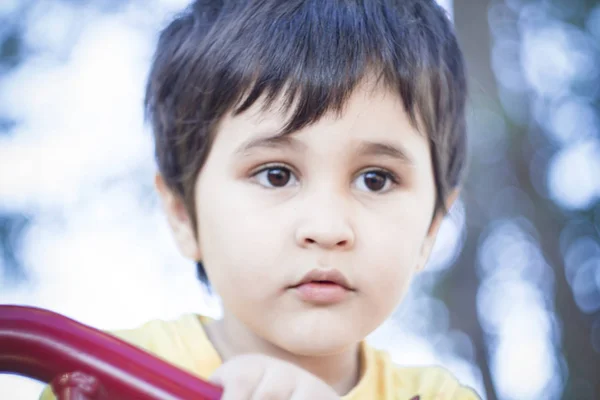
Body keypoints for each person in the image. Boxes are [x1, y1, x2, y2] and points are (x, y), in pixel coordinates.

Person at [41, 0, 479, 398]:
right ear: (182, 214)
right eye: (276, 175)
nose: (326, 228)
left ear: (432, 228)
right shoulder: (102, 378)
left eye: (376, 180)